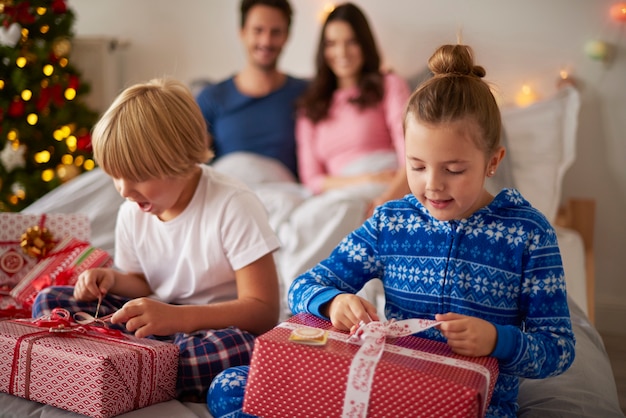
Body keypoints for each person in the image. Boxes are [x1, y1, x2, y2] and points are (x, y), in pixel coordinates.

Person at [287, 44, 576, 416]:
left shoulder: (529, 235)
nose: (432, 186)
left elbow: (559, 350)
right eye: (417, 166)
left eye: (454, 169)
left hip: (479, 407)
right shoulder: (390, 223)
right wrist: (334, 301)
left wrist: (497, 341)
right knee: (234, 388)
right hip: (389, 396)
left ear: (493, 161)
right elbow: (300, 288)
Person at [31, 78, 281, 402]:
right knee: (50, 301)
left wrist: (176, 317)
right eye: (115, 176)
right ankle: (131, 365)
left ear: (181, 158)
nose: (123, 190)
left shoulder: (233, 204)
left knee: (240, 349)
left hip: (214, 328)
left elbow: (263, 312)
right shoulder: (132, 210)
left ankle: (117, 364)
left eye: (137, 176)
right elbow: (141, 281)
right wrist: (111, 279)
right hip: (158, 324)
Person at [295, 2, 411, 215]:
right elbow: (311, 180)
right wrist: (362, 179)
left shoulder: (389, 85)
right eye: (332, 43)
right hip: (341, 195)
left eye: (351, 42)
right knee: (317, 213)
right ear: (323, 49)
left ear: (365, 45)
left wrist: (386, 200)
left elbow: (411, 152)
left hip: (387, 184)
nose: (342, 52)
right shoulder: (310, 107)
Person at [196, 0, 308, 179]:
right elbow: (190, 163)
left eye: (276, 32)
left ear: (287, 36)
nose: (266, 41)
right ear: (242, 33)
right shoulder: (212, 98)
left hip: (287, 196)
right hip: (233, 193)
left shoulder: (306, 94)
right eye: (258, 30)